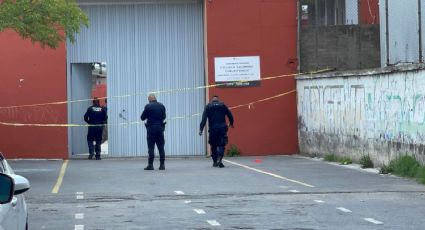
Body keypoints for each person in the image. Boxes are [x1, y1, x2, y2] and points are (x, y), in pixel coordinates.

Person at [199, 95, 234, 168]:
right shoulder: (223, 105)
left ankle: (215, 161)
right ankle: (220, 159)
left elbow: (204, 119)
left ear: (212, 100)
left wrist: (201, 129)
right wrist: (231, 123)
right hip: (222, 128)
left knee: (213, 145)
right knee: (221, 144)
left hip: (213, 129)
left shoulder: (208, 106)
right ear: (218, 100)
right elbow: (230, 115)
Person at [141, 94, 166, 170]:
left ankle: (150, 165)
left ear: (149, 99)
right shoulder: (162, 106)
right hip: (160, 128)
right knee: (161, 147)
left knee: (151, 147)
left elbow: (142, 117)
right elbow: (164, 116)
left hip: (151, 129)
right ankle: (162, 165)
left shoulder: (148, 106)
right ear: (155, 99)